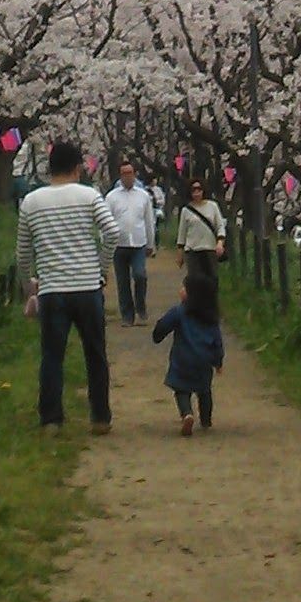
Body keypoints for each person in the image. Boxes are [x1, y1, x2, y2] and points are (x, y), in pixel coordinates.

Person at [16, 138, 121, 433]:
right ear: (78, 167)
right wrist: (100, 268)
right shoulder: (89, 196)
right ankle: (100, 417)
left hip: (52, 290)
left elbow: (23, 252)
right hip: (87, 287)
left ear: (50, 169)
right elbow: (112, 232)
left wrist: (29, 286)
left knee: (52, 356)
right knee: (95, 354)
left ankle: (51, 419)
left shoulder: (31, 202)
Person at [152, 270, 225, 436]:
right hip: (204, 361)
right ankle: (206, 420)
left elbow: (163, 326)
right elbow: (217, 341)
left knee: (181, 389)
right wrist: (218, 361)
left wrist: (157, 335)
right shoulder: (211, 318)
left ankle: (187, 414)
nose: (181, 290)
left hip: (182, 360)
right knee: (204, 390)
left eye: (184, 288)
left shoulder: (179, 311)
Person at [105, 158, 157, 325]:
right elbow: (105, 222)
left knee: (140, 275)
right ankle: (127, 315)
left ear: (135, 174)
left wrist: (151, 244)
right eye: (124, 174)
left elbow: (149, 221)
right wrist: (106, 243)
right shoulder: (112, 197)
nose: (127, 177)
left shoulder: (144, 196)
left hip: (138, 244)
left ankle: (140, 306)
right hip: (118, 245)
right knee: (122, 282)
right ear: (120, 177)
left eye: (130, 173)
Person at [176, 176, 226, 283]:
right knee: (194, 282)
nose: (196, 193)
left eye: (199, 189)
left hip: (210, 250)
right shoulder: (186, 210)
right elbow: (182, 233)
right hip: (192, 251)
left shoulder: (213, 206)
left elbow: (220, 226)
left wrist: (220, 242)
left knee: (211, 280)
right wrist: (180, 253)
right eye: (193, 190)